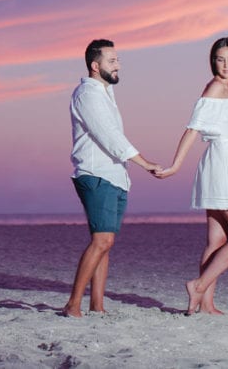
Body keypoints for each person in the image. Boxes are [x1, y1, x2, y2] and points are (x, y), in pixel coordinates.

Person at [155, 36, 228, 315]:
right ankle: (199, 285)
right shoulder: (214, 87)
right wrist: (176, 166)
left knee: (217, 240)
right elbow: (192, 129)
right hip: (222, 164)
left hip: (224, 162)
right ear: (212, 61)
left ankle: (206, 304)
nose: (225, 65)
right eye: (219, 59)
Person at [62, 39, 161, 317]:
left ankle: (97, 305)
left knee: (105, 242)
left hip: (115, 176)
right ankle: (72, 305)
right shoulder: (87, 94)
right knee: (102, 242)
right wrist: (144, 162)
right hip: (97, 175)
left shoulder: (104, 94)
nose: (118, 65)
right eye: (112, 61)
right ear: (96, 66)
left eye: (117, 60)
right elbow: (109, 136)